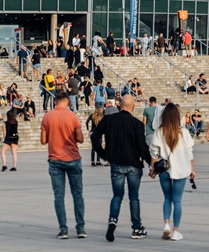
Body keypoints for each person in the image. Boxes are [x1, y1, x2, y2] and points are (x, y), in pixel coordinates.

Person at [91, 94, 151, 241]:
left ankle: (112, 222)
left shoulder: (109, 120)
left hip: (116, 164)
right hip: (133, 165)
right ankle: (136, 228)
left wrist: (104, 154)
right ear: (134, 106)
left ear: (120, 105)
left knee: (117, 196)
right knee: (133, 197)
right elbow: (142, 147)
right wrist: (152, 164)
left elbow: (94, 136)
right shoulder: (137, 124)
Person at [41, 95, 86, 239]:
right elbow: (80, 139)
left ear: (55, 101)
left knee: (59, 196)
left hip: (55, 160)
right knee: (77, 194)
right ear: (67, 101)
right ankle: (80, 229)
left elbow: (43, 140)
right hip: (73, 158)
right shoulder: (73, 117)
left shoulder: (47, 117)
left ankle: (63, 230)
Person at [149, 103, 194, 241]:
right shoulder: (184, 133)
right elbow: (189, 153)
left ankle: (166, 225)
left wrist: (152, 168)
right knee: (177, 200)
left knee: (167, 198)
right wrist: (192, 169)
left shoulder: (159, 132)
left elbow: (154, 153)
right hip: (181, 168)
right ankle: (176, 231)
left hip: (164, 170)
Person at [1, 106, 20, 171]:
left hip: (8, 138)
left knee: (3, 152)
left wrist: (5, 139)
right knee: (14, 153)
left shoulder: (5, 123)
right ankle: (14, 166)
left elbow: (4, 133)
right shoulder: (16, 122)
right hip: (15, 138)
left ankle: (4, 165)